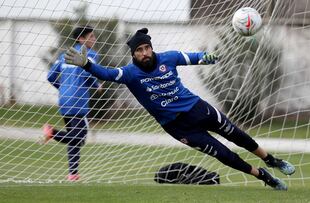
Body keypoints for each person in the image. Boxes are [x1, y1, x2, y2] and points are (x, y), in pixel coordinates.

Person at [64, 28, 295, 189]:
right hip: (178, 127)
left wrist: (209, 57)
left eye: (147, 48)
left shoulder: (169, 57)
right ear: (133, 54)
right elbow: (107, 74)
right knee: (224, 155)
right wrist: (87, 64)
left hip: (197, 109)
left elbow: (195, 57)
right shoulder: (130, 73)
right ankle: (263, 176)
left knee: (236, 135)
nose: (144, 53)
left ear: (151, 48)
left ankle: (271, 160)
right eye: (139, 50)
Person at [43, 25, 102, 181]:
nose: (94, 39)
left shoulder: (64, 55)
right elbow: (88, 72)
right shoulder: (91, 54)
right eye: (91, 37)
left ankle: (73, 174)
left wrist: (63, 88)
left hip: (64, 100)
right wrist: (97, 85)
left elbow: (50, 76)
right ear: (81, 39)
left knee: (73, 138)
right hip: (79, 101)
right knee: (79, 137)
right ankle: (52, 132)